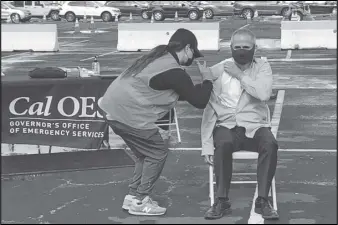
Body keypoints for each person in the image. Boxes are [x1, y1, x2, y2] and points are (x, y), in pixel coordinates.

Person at [99, 28, 219, 216]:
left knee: (143, 154)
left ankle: (132, 196)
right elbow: (199, 101)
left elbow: (176, 91)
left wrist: (197, 88)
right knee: (157, 152)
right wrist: (207, 80)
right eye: (193, 54)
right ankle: (140, 200)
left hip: (111, 110)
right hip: (128, 114)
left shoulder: (157, 59)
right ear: (187, 48)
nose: (192, 60)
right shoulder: (174, 70)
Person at [201, 28, 279, 220]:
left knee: (270, 143)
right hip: (226, 125)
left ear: (255, 48)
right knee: (223, 144)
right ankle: (221, 200)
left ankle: (263, 200)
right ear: (231, 47)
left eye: (246, 47)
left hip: (255, 126)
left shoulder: (262, 67)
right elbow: (209, 108)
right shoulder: (219, 69)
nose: (242, 50)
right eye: (237, 47)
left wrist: (239, 75)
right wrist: (206, 145)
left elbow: (263, 94)